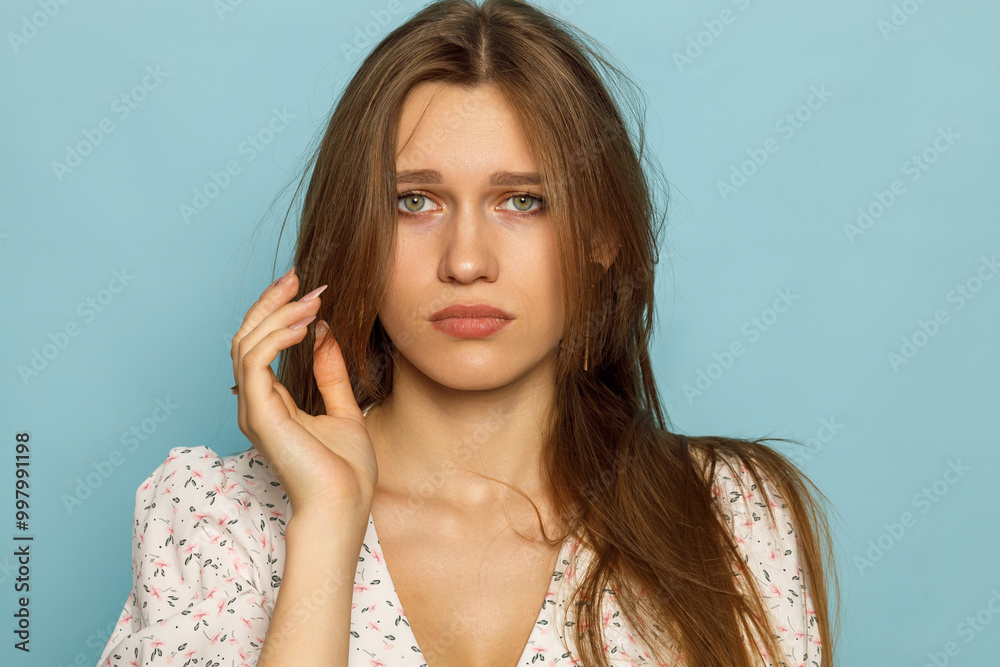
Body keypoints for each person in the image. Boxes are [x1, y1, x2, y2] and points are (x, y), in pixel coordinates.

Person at [97, 1, 840, 666]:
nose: (466, 260)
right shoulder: (213, 519)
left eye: (524, 200)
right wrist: (326, 521)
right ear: (358, 232)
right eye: (414, 201)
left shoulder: (729, 517)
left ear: (603, 235)